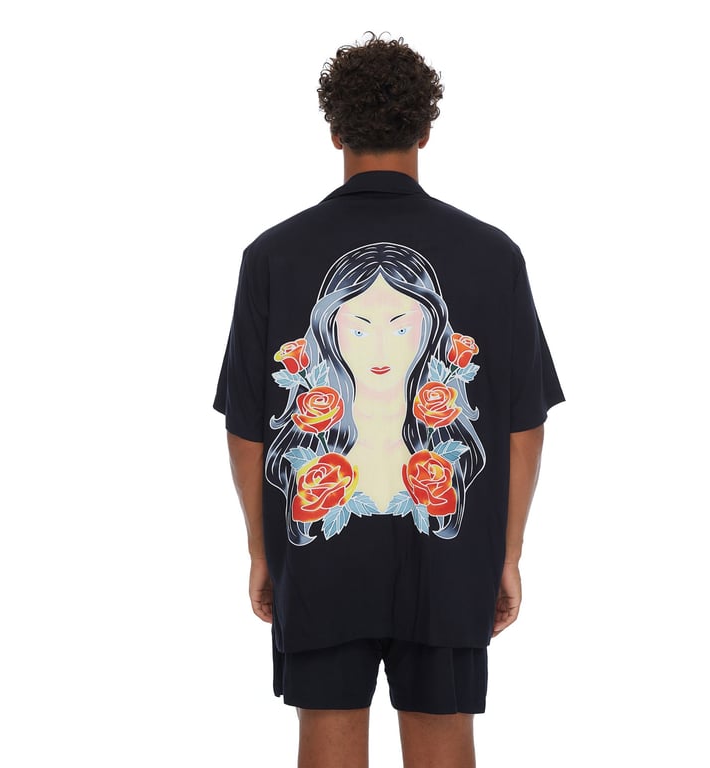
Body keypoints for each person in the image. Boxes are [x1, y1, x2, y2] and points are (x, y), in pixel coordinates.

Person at [214, 34, 564, 768]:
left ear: (334, 131)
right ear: (426, 131)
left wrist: (261, 552)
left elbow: (248, 426)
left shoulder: (273, 254)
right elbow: (521, 425)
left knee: (326, 736)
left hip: (317, 559)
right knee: (444, 742)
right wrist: (506, 554)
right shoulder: (492, 253)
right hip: (452, 562)